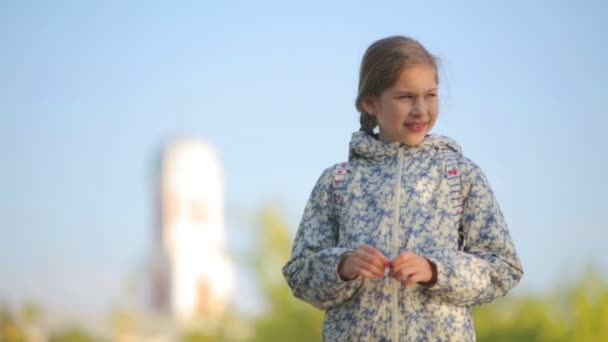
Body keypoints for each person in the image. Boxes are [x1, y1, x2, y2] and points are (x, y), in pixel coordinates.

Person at [282, 35, 524, 341]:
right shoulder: (337, 182)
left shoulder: (458, 175)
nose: (421, 109)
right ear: (371, 103)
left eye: (430, 95)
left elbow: (503, 268)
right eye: (405, 97)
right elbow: (300, 274)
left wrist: (436, 270)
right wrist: (342, 265)